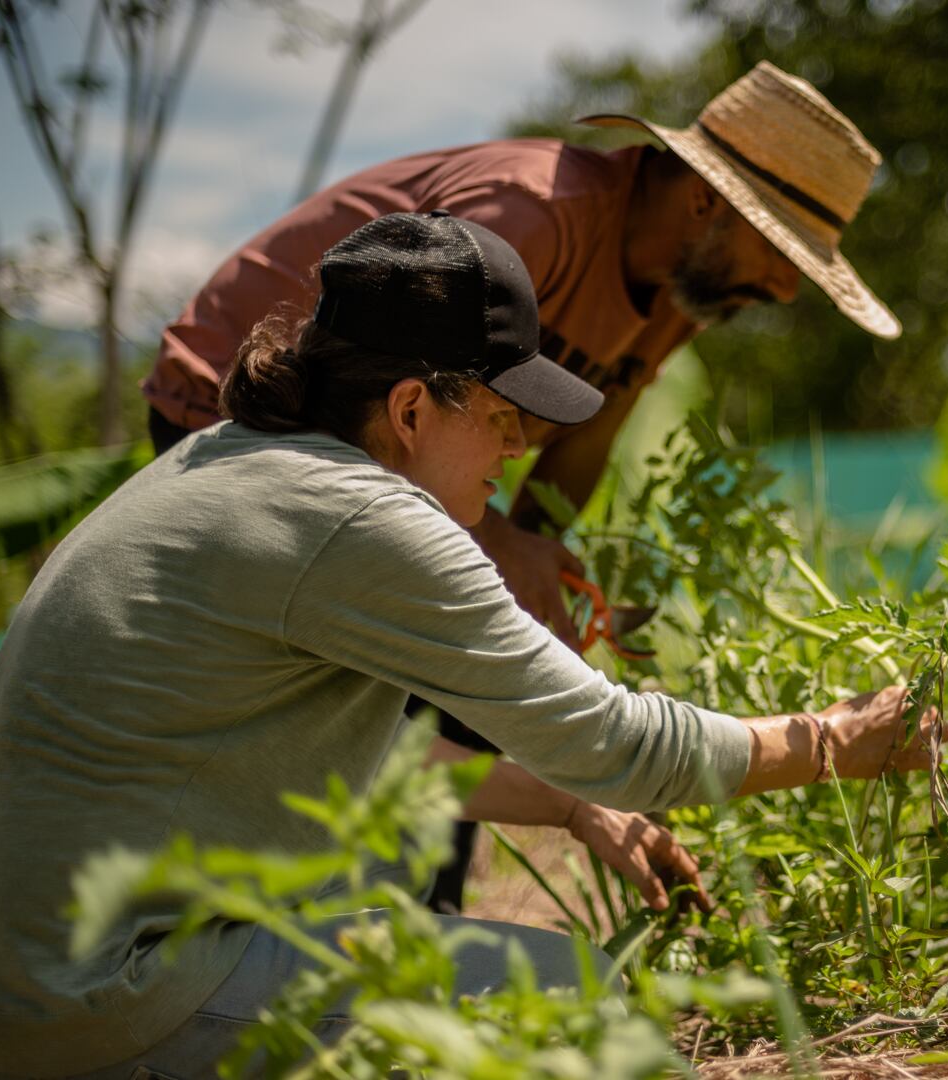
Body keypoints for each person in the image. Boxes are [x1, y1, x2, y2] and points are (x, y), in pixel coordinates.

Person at [0, 213, 939, 1078]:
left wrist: (576, 808)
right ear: (410, 408)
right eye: (499, 417)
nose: (518, 450)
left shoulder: (228, 468)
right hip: (100, 1006)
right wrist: (831, 740)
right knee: (577, 997)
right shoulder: (362, 520)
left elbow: (383, 762)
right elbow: (616, 736)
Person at [141, 60, 904, 912]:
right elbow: (396, 415)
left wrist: (540, 570)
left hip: (402, 459)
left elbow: (584, 440)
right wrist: (499, 550)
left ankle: (416, 926)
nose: (786, 285)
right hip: (244, 417)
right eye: (781, 248)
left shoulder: (677, 299)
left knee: (468, 667)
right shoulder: (528, 218)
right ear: (705, 203)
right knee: (350, 693)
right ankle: (303, 930)